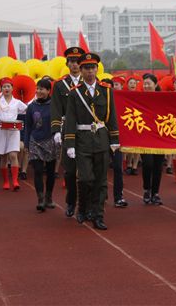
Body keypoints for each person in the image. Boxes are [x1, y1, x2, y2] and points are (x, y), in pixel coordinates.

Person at [64, 52, 120, 230]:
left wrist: (114, 139)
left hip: (101, 139)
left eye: (92, 68)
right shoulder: (75, 93)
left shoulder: (106, 91)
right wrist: (70, 143)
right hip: (82, 140)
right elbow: (71, 119)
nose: (90, 71)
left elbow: (111, 118)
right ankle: (83, 207)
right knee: (86, 178)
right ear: (80, 70)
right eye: (86, 68)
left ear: (97, 69)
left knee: (101, 181)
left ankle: (98, 215)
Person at [50, 47, 86, 217]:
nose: (75, 65)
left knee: (87, 170)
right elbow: (56, 108)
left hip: (87, 132)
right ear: (67, 64)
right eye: (71, 61)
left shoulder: (90, 82)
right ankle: (71, 202)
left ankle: (86, 204)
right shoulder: (60, 85)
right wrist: (56, 129)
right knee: (70, 171)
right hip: (68, 131)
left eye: (78, 61)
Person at [25, 79, 60, 212]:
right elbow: (28, 125)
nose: (39, 91)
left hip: (51, 140)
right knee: (38, 170)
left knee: (50, 172)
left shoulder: (54, 105)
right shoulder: (32, 106)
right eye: (37, 88)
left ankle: (49, 197)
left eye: (42, 89)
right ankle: (40, 199)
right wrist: (27, 142)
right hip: (35, 141)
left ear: (48, 91)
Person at [140, 74, 164, 205]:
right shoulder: (139, 98)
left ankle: (155, 193)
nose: (146, 86)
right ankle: (146, 189)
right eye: (144, 83)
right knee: (148, 164)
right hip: (145, 137)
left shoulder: (162, 98)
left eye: (148, 83)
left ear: (155, 85)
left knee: (158, 165)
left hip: (160, 137)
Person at [109, 77, 128, 208]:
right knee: (99, 169)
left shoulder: (124, 101)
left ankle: (118, 196)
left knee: (117, 167)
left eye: (114, 86)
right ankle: (101, 195)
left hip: (116, 140)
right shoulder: (99, 101)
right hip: (100, 139)